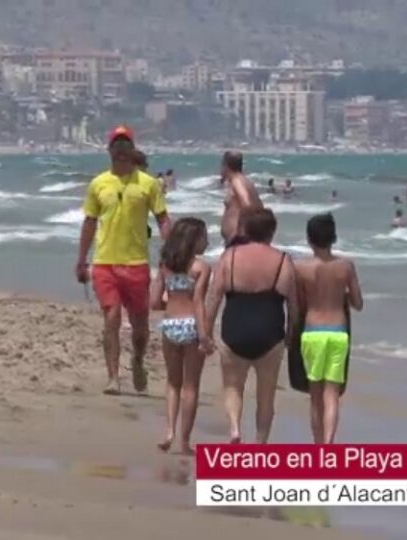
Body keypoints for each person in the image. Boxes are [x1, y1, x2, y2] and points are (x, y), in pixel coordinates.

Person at [76, 125, 171, 396]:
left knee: (140, 325)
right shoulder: (98, 184)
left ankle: (138, 360)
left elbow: (162, 219)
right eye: (116, 145)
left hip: (136, 263)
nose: (120, 150)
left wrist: (171, 253)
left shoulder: (148, 184)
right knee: (112, 317)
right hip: (105, 262)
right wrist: (81, 260)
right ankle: (113, 378)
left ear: (132, 149)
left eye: (125, 145)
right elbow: (90, 222)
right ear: (109, 150)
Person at [205, 208, 297, 443]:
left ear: (244, 230)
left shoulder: (229, 257)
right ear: (272, 231)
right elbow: (293, 303)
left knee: (232, 386)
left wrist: (206, 332)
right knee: (266, 396)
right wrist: (291, 333)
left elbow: (214, 297)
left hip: (234, 330)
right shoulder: (283, 260)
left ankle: (235, 428)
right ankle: (260, 443)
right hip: (270, 333)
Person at [294, 213, 363, 444]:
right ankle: (329, 445)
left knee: (315, 396)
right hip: (338, 331)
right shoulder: (346, 266)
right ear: (333, 237)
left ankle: (317, 447)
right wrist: (341, 295)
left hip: (312, 331)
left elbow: (299, 304)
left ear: (309, 239)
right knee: (332, 394)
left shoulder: (300, 268)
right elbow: (358, 304)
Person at [150, 217, 211, 455]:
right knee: (191, 387)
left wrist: (173, 302)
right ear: (193, 240)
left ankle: (169, 432)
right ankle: (184, 441)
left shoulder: (165, 266)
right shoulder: (201, 268)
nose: (207, 242)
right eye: (204, 238)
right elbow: (198, 303)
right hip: (192, 327)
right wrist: (204, 336)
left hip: (171, 325)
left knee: (173, 383)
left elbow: (154, 301)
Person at [219, 151, 263, 247]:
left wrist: (239, 231)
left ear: (225, 165)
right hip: (242, 239)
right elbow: (259, 207)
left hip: (237, 240)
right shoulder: (246, 182)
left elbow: (247, 205)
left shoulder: (237, 181)